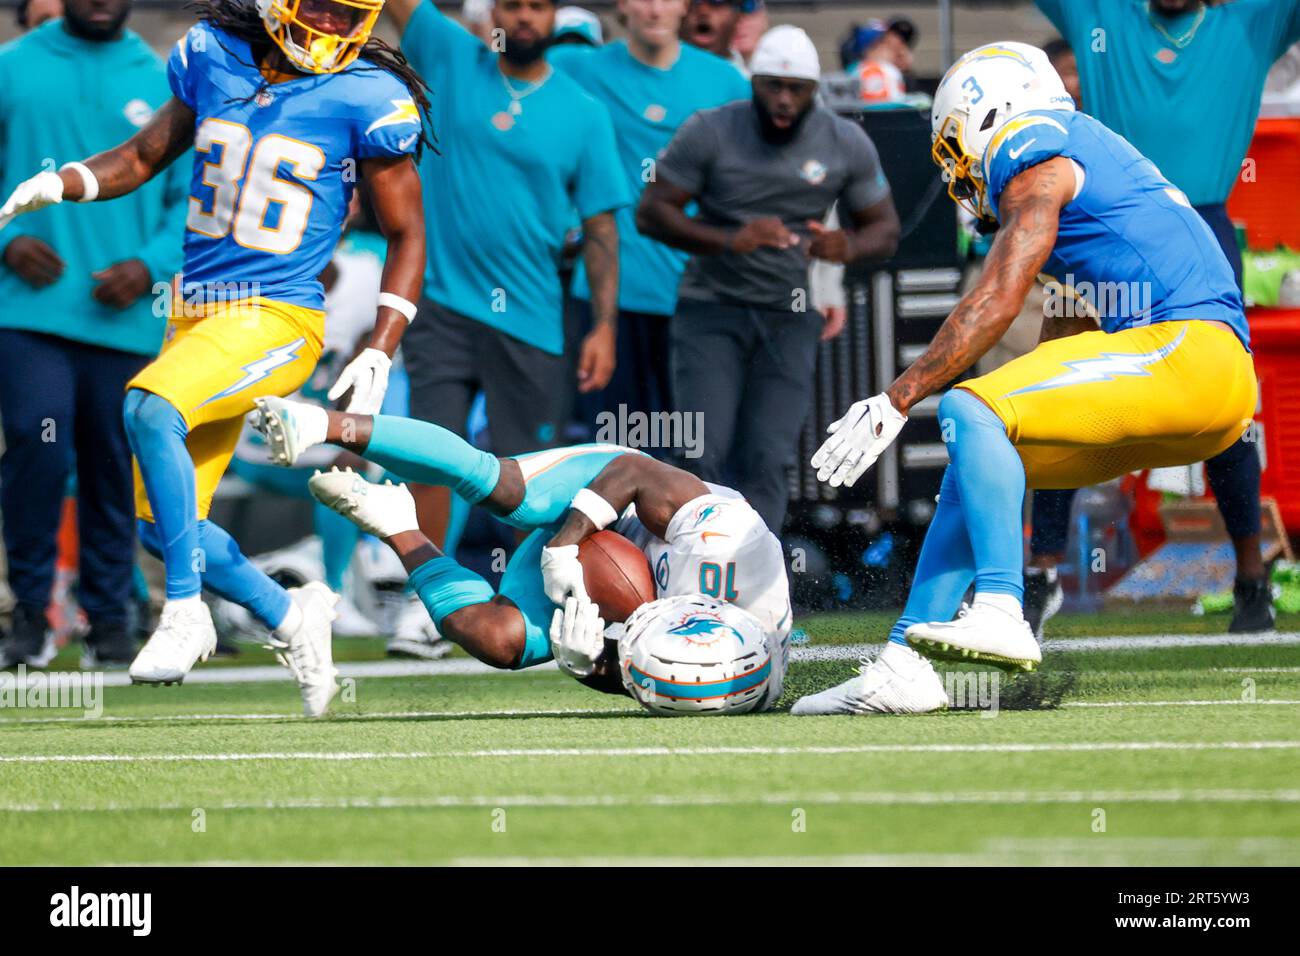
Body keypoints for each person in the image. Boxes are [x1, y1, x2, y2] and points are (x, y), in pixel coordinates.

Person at [795, 42, 1256, 716]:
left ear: (990, 111)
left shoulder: (1032, 142)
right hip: (1201, 382)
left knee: (970, 407)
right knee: (981, 442)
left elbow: (998, 297)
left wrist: (895, 399)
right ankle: (905, 665)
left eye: (955, 141)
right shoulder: (1087, 165)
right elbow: (1062, 338)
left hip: (1188, 353)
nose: (956, 168)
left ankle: (1003, 609)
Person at [0, 0, 430, 715]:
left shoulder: (370, 94)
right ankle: (293, 615)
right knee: (159, 524)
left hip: (277, 315)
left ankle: (185, 612)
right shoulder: (213, 54)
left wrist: (384, 344)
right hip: (196, 316)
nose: (329, 25)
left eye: (346, 11)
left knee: (147, 404)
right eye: (319, 6)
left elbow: (408, 231)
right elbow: (139, 159)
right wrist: (61, 183)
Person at [248, 395, 792, 711]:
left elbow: (642, 674)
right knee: (509, 492)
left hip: (613, 582)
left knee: (498, 640)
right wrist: (564, 544)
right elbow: (637, 473)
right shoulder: (726, 544)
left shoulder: (717, 681)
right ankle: (324, 423)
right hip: (612, 495)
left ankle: (397, 526)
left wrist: (594, 665)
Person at [1033, 0, 1300, 633]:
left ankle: (1250, 579)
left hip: (1201, 227)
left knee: (1225, 407)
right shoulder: (1101, 12)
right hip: (1101, 224)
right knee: (1058, 385)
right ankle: (1037, 579)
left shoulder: (1250, 21)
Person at [385, 0, 629, 554]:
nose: (523, 17)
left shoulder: (583, 111)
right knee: (430, 460)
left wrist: (605, 325)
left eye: (537, 7)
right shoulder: (450, 57)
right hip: (440, 304)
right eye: (512, 5)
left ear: (553, 17)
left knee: (528, 480)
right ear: (491, 11)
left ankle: (530, 603)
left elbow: (601, 230)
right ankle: (427, 598)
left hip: (531, 316)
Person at [637, 25, 900, 533]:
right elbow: (652, 212)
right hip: (711, 308)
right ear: (753, 82)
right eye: (772, 86)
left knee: (769, 455)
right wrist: (730, 238)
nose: (782, 99)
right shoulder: (711, 130)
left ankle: (762, 588)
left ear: (813, 89)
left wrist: (845, 246)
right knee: (700, 451)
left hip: (788, 315)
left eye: (795, 88)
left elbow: (885, 230)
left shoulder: (844, 141)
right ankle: (690, 573)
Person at [0, 0, 186, 668]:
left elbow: (187, 197)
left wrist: (150, 265)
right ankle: (30, 614)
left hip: (127, 317)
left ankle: (110, 619)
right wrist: (10, 239)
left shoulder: (164, 77)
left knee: (113, 467)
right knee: (39, 447)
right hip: (28, 315)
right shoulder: (11, 67)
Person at [550, 0, 749, 431]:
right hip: (611, 306)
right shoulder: (578, 68)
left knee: (696, 453)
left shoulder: (727, 82)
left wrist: (823, 283)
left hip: (701, 300)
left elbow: (770, 175)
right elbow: (500, 71)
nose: (655, 9)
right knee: (619, 453)